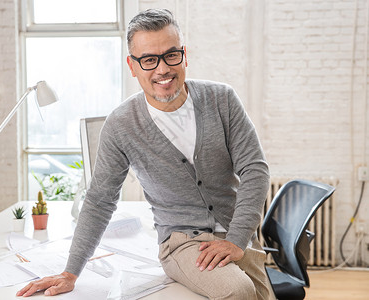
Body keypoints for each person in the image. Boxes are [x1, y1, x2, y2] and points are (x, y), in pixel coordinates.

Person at [17, 8, 274, 300]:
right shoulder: (121, 125)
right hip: (182, 243)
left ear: (184, 55)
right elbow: (100, 200)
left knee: (263, 295)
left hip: (236, 234)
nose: (162, 69)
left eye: (171, 55)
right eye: (149, 60)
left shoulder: (222, 99)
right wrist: (70, 272)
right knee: (239, 292)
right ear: (132, 65)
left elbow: (255, 169)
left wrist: (238, 239)